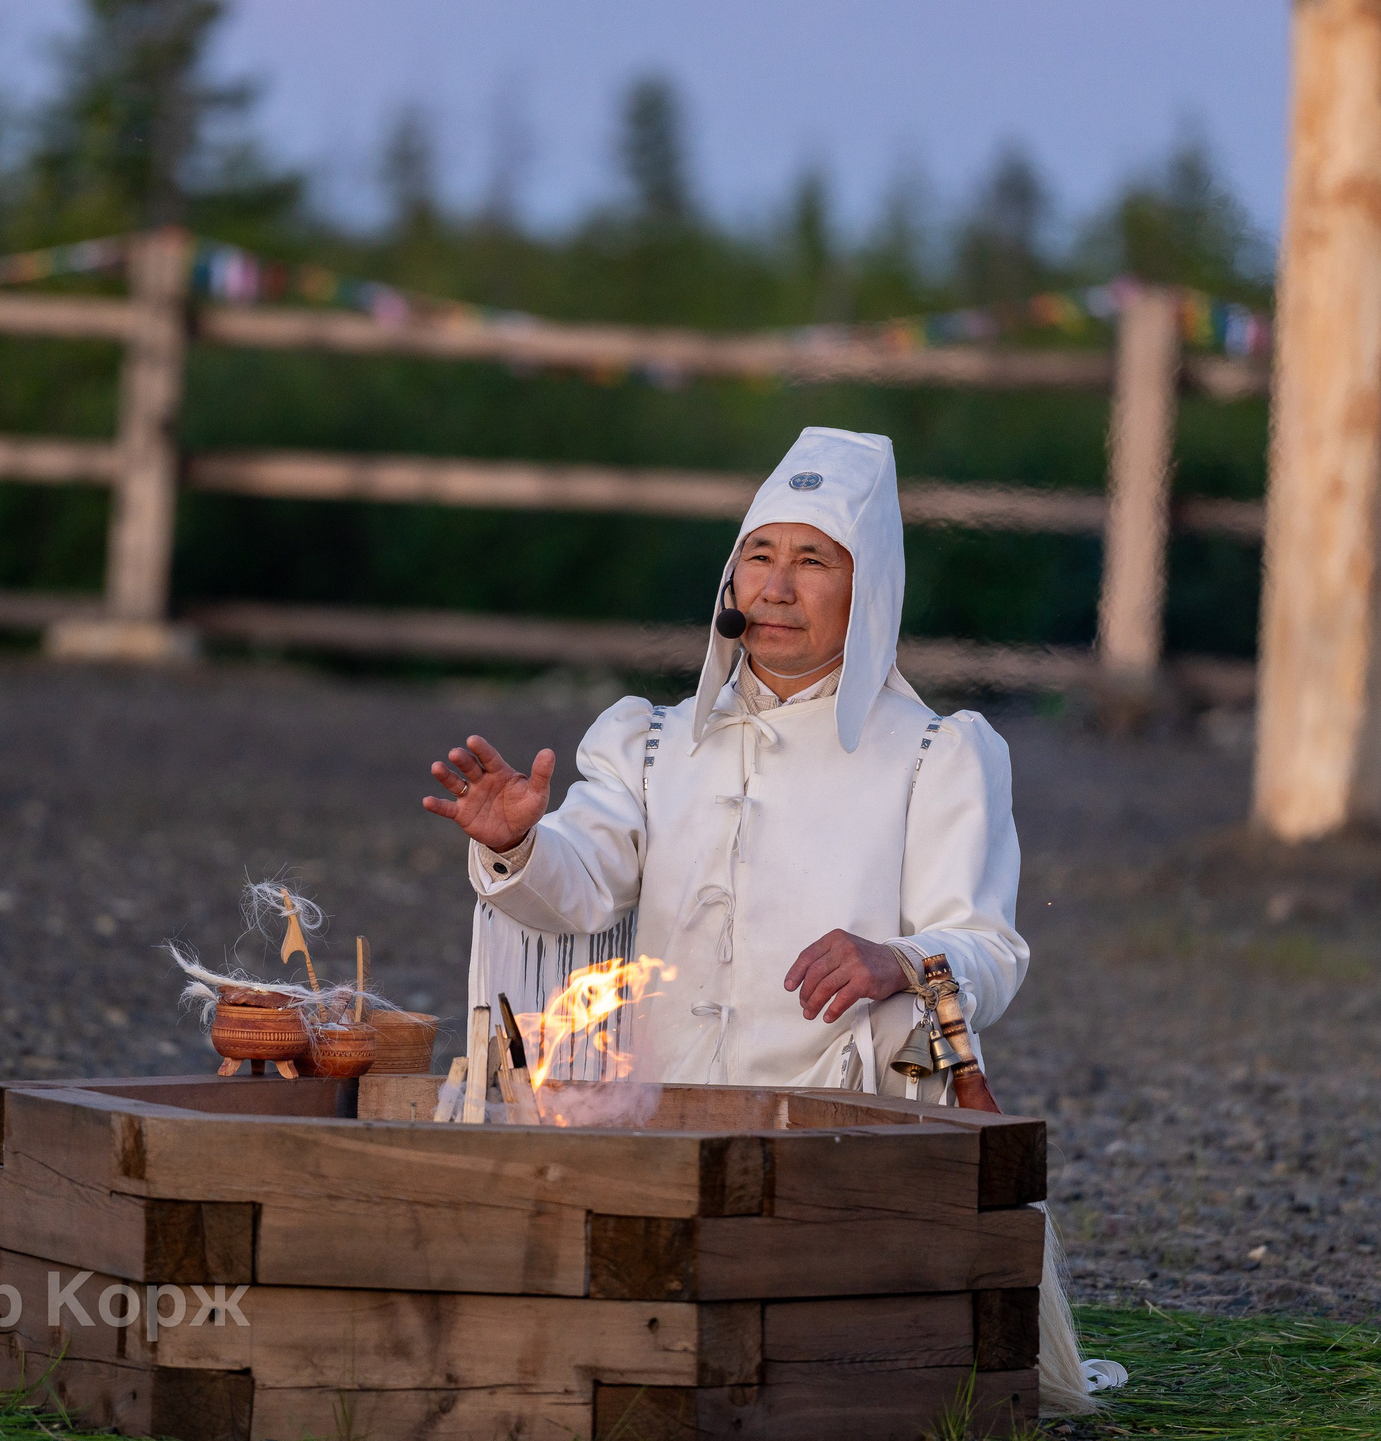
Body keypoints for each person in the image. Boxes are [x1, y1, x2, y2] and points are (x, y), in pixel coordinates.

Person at [419, 426, 1118, 1415]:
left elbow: (989, 948)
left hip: (845, 1144)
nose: (776, 588)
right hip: (663, 1131)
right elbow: (575, 883)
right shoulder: (653, 743)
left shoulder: (937, 756)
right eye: (758, 555)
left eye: (812, 560)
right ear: (729, 579)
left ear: (865, 587)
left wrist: (900, 958)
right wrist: (518, 846)